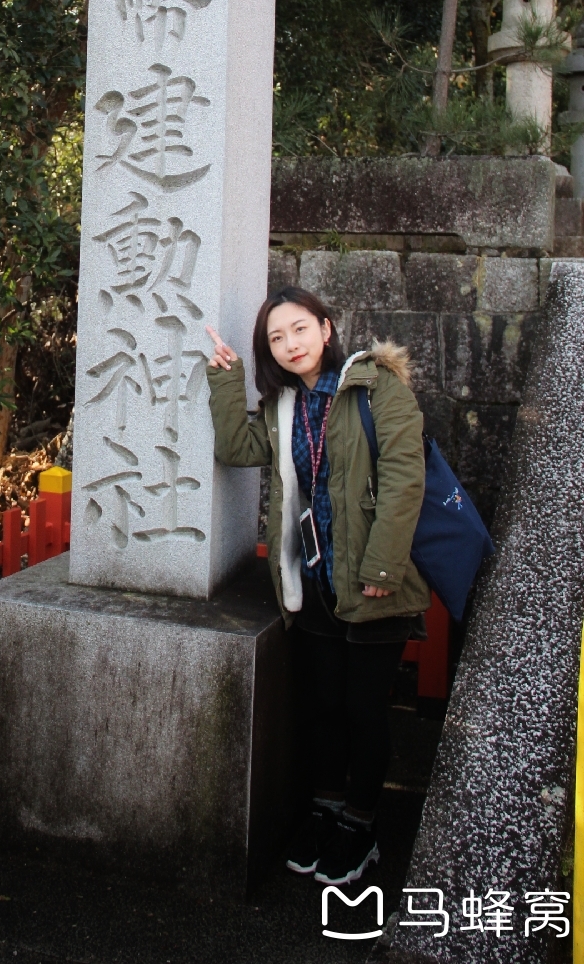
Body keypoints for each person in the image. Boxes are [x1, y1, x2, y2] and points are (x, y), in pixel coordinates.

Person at [205, 285, 429, 887]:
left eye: (299, 329)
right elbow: (235, 446)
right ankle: (327, 812)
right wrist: (226, 380)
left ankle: (361, 825)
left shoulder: (376, 387)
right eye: (276, 338)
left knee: (364, 711)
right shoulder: (283, 408)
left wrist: (381, 569)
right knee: (324, 708)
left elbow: (406, 478)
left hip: (374, 583)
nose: (290, 344)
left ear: (327, 329)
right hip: (315, 580)